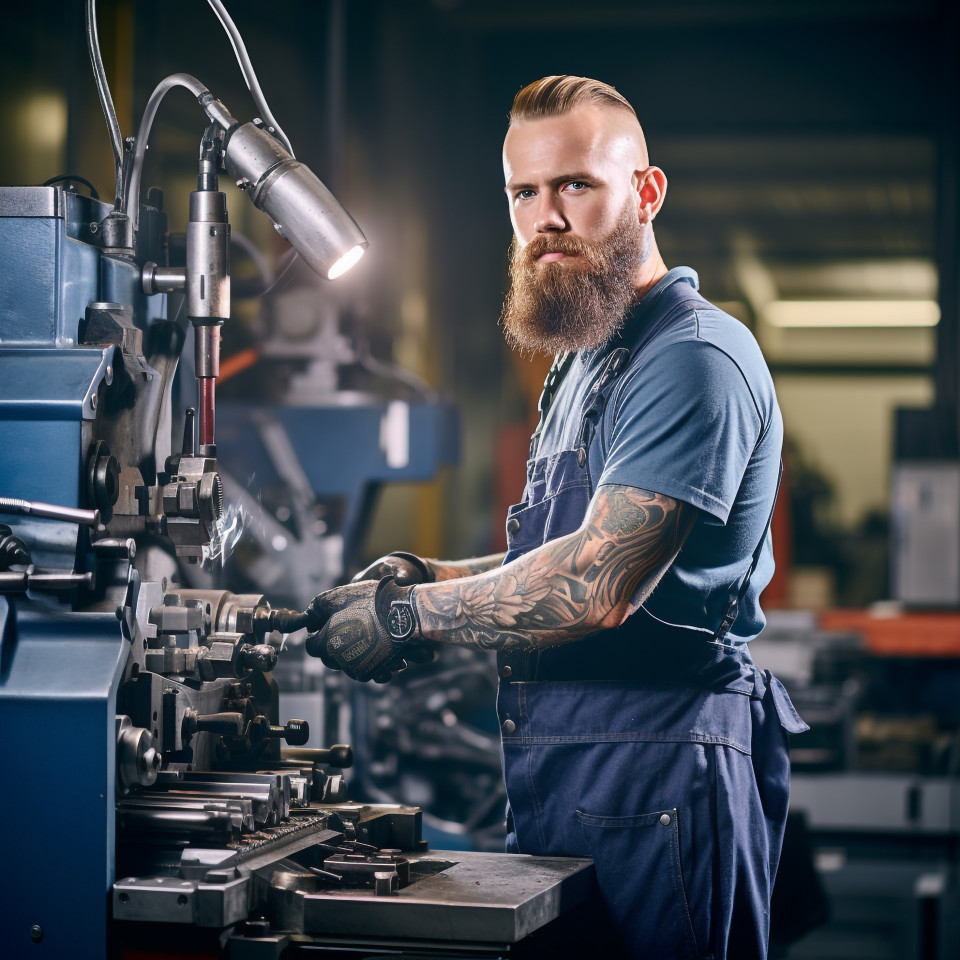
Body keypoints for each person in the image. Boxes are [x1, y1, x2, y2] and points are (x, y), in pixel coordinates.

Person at [301, 75, 808, 960]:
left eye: (576, 185)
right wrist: (420, 575)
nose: (547, 217)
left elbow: (596, 583)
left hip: (659, 772)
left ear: (645, 194)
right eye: (523, 193)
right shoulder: (584, 365)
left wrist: (407, 618)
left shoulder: (691, 358)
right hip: (565, 766)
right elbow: (543, 554)